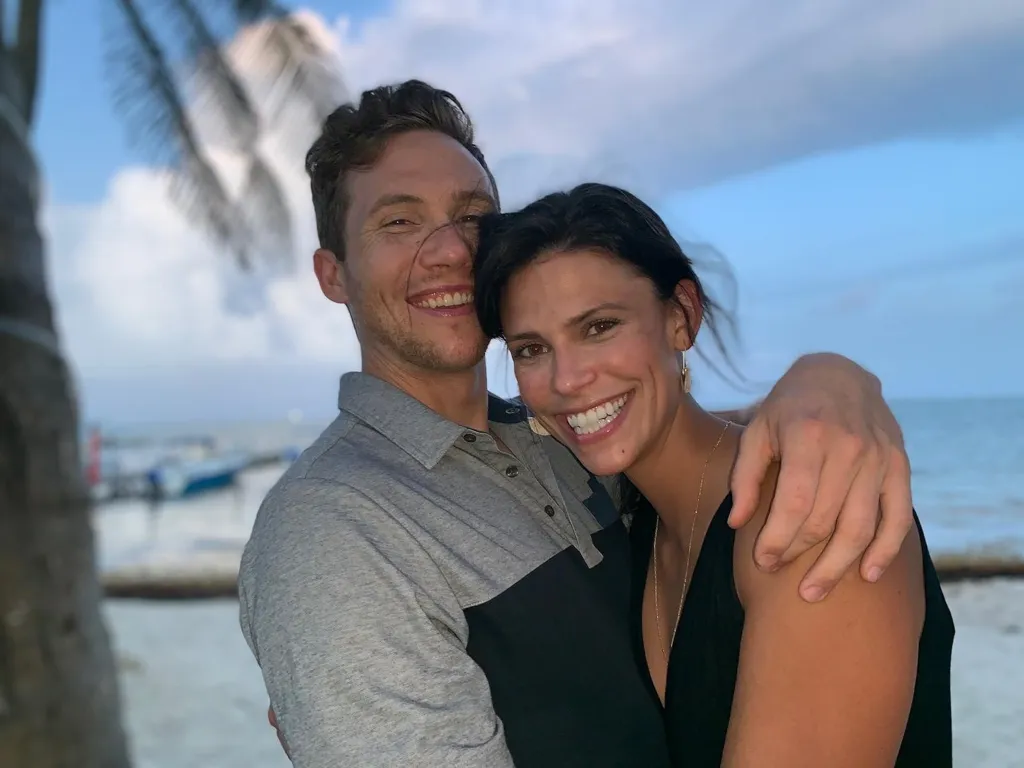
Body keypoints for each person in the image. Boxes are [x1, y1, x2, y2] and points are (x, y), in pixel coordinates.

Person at [239, 80, 916, 767]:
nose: (450, 251)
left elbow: (690, 441)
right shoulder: (330, 528)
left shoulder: (568, 446)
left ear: (681, 314)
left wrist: (827, 381)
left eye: (472, 216)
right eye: (398, 222)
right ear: (332, 274)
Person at [472, 182, 954, 767]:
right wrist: (827, 375)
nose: (567, 379)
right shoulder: (633, 515)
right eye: (530, 349)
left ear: (682, 316)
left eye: (599, 327)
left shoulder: (807, 514)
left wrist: (831, 375)